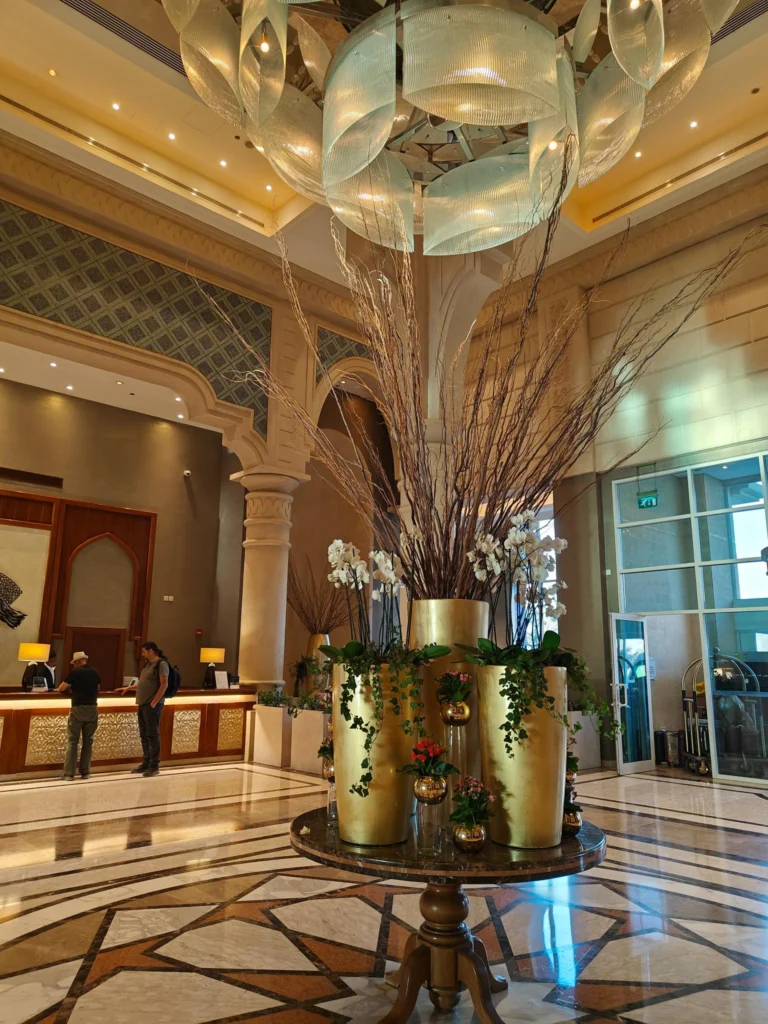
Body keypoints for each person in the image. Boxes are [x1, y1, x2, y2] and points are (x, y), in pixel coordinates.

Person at [117, 641, 168, 777]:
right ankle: (146, 763)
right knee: (144, 735)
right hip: (143, 704)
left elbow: (164, 684)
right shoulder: (147, 665)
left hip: (152, 705)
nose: (142, 654)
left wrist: (154, 702)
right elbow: (143, 683)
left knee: (152, 735)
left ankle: (154, 765)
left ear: (151, 651)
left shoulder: (161, 664)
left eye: (144, 651)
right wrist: (129, 688)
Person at [59, 651, 100, 780]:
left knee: (72, 741)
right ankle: (85, 772)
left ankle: (69, 774)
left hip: (78, 709)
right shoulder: (95, 672)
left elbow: (61, 688)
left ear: (77, 662)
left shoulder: (75, 672)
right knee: (88, 742)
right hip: (92, 709)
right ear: (85, 660)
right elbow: (98, 688)